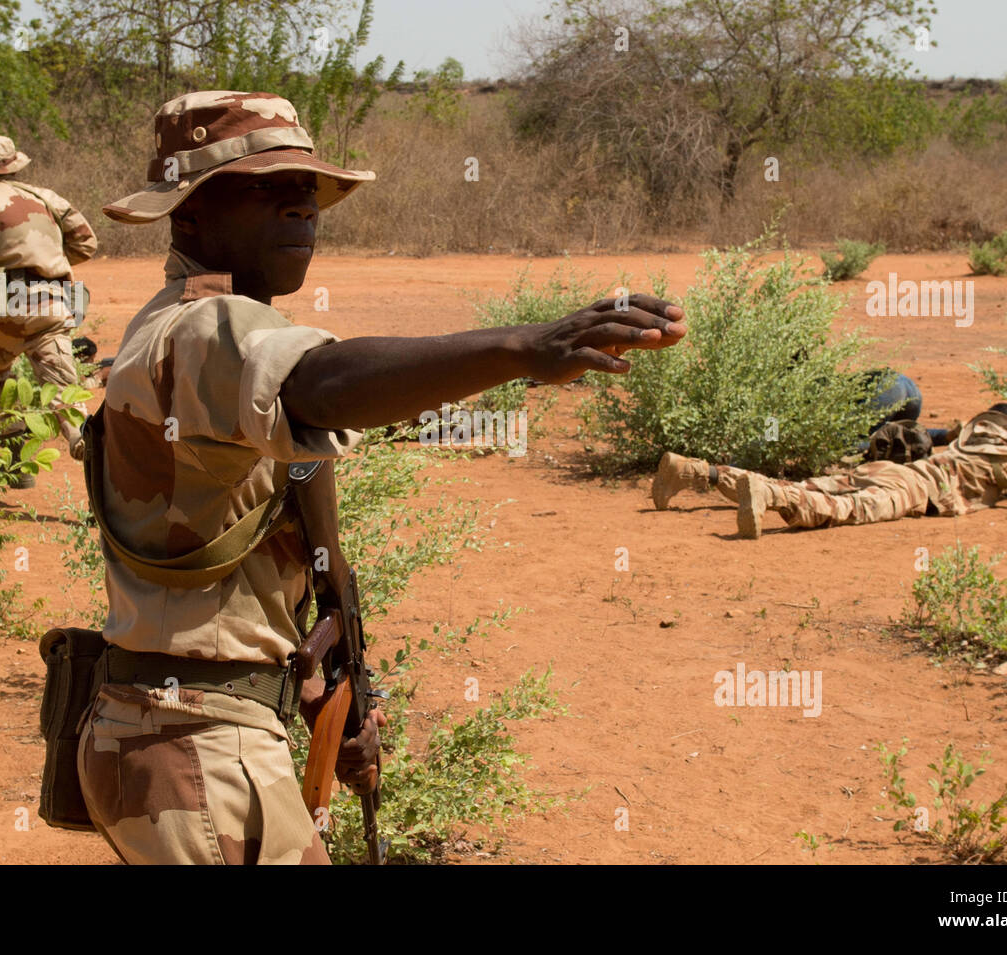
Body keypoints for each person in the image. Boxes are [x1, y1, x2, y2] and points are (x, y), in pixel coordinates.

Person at [77, 90, 687, 864]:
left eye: (309, 189)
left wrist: (330, 693)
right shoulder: (202, 329)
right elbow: (324, 382)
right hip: (197, 753)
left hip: (183, 737)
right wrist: (521, 349)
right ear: (189, 214)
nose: (302, 204)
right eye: (268, 186)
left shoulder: (208, 333)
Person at [652, 403, 1007, 538]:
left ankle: (695, 471)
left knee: (803, 483)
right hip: (917, 488)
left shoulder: (972, 441)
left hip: (888, 469)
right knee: (845, 509)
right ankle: (770, 498)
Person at [0, 135, 98, 485]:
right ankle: (80, 439)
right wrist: (48, 263)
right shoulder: (47, 197)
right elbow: (88, 242)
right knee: (64, 392)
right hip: (53, 303)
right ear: (15, 166)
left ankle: (18, 457)